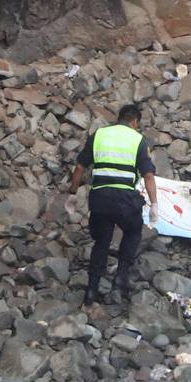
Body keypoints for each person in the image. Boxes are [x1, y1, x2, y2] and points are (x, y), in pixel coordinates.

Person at [66, 104, 157, 309]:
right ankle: (121, 278)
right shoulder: (138, 140)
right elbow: (148, 175)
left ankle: (91, 289)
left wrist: (72, 193)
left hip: (99, 198)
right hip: (125, 199)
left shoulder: (100, 135)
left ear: (120, 118)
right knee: (133, 231)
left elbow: (80, 166)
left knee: (102, 241)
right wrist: (154, 204)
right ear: (135, 121)